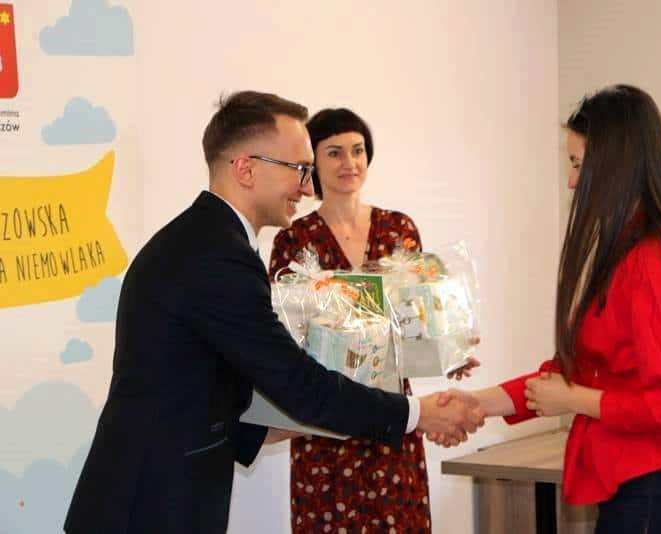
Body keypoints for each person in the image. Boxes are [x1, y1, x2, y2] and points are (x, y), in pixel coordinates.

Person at [63, 91, 484, 534]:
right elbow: (295, 381)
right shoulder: (215, 255)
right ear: (245, 169)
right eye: (299, 169)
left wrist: (283, 428)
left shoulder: (209, 240)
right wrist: (417, 413)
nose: (307, 187)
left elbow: (198, 385)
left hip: (153, 497)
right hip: (149, 506)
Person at [433, 85, 661, 533]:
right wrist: (476, 403)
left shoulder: (656, 262)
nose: (572, 182)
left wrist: (574, 400)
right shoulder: (630, 255)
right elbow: (575, 372)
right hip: (646, 485)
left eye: (577, 164)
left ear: (614, 164)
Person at [269, 107, 479, 533]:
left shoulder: (399, 228)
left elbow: (418, 319)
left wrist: (448, 351)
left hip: (394, 419)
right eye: (334, 152)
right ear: (313, 162)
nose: (349, 162)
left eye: (358, 150)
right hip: (325, 424)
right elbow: (283, 338)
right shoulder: (294, 240)